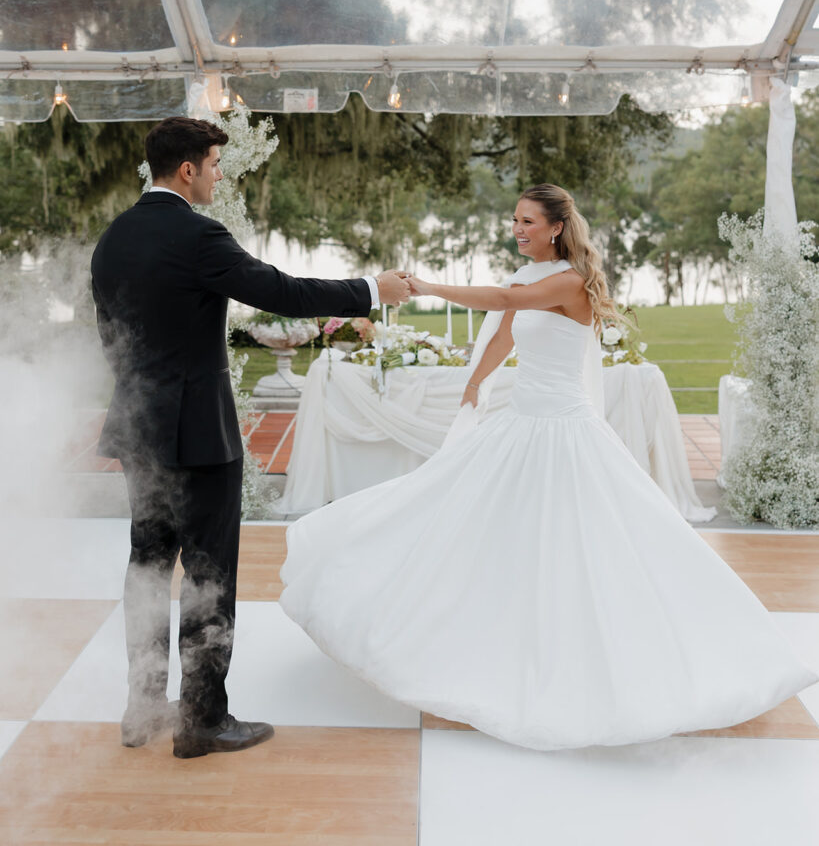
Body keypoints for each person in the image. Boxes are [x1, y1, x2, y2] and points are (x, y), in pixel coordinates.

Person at [279, 183, 817, 752]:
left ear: (557, 227)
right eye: (514, 219)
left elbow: (504, 304)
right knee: (474, 520)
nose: (518, 228)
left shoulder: (567, 282)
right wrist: (474, 380)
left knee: (590, 541)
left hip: (565, 430)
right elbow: (507, 331)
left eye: (528, 221)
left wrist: (426, 286)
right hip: (521, 423)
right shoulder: (529, 280)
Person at [91, 116, 410, 759]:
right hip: (198, 437)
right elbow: (281, 292)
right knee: (211, 571)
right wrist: (372, 289)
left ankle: (143, 706)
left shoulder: (114, 238)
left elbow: (112, 336)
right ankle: (202, 721)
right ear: (188, 170)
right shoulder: (198, 236)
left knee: (147, 567)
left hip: (138, 427)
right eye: (213, 165)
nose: (217, 176)